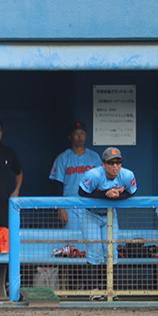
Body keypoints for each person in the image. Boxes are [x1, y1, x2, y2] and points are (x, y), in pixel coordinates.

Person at [79, 147, 137, 300]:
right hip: (89, 213)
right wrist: (105, 194)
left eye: (118, 162)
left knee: (111, 250)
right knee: (95, 250)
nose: (115, 166)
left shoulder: (127, 174)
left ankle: (111, 290)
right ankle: (94, 290)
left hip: (110, 214)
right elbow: (82, 192)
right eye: (111, 163)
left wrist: (117, 195)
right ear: (103, 164)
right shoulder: (94, 174)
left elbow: (132, 191)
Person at [49, 122, 102, 229]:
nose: (79, 137)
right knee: (72, 240)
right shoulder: (63, 158)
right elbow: (58, 184)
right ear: (70, 137)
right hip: (69, 205)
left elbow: (101, 182)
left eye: (82, 133)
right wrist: (60, 208)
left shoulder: (94, 157)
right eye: (76, 134)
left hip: (90, 205)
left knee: (91, 240)